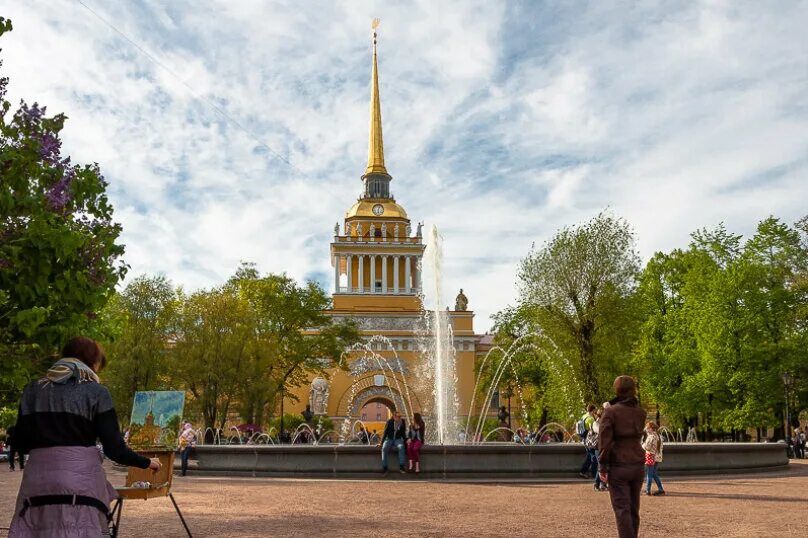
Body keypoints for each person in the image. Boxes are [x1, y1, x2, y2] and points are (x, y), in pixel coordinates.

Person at [8, 336, 161, 536]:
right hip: (80, 485)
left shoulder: (32, 390)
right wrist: (147, 463)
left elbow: (22, 442)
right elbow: (114, 449)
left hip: (37, 482)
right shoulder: (96, 392)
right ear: (93, 362)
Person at [598, 375, 647, 538]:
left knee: (622, 510)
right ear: (633, 390)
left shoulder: (610, 412)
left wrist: (602, 466)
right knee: (633, 509)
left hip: (619, 465)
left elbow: (604, 442)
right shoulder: (640, 412)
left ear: (617, 390)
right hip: (638, 464)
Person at [642, 422, 665, 496]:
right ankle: (661, 489)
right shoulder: (659, 436)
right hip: (657, 457)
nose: (647, 429)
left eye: (648, 428)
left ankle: (648, 490)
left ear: (652, 428)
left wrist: (642, 445)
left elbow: (647, 447)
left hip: (650, 456)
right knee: (654, 474)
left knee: (649, 474)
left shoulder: (651, 436)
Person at [588, 408, 607, 491]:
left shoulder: (604, 423)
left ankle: (603, 484)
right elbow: (600, 432)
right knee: (600, 465)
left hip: (604, 446)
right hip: (598, 447)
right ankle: (596, 484)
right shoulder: (595, 423)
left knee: (604, 465)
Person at [578, 404, 597, 478]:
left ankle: (583, 471)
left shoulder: (584, 416)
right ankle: (594, 474)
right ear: (593, 410)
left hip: (584, 439)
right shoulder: (590, 419)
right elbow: (592, 430)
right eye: (595, 410)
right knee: (594, 457)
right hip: (590, 440)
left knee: (590, 456)